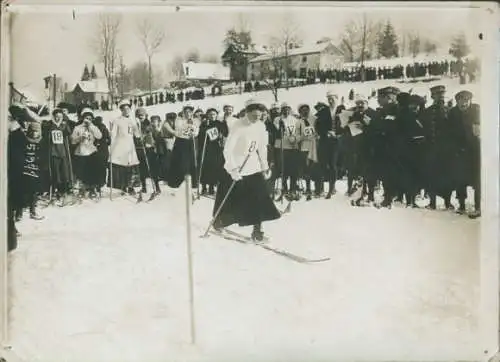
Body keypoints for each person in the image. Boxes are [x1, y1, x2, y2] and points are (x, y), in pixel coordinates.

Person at [212, 98, 281, 242]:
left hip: (253, 166)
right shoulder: (238, 126)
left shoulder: (261, 126)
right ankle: (220, 222)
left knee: (259, 198)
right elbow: (227, 150)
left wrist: (264, 167)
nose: (257, 118)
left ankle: (257, 231)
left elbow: (262, 148)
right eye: (254, 116)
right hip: (237, 167)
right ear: (247, 113)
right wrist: (233, 169)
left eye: (259, 115)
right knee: (235, 201)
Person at [448, 90, 481, 217]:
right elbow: (449, 132)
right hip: (459, 151)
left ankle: (478, 207)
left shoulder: (476, 110)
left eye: (466, 101)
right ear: (457, 102)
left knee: (477, 179)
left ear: (470, 101)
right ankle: (461, 205)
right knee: (460, 178)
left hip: (475, 151)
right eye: (461, 101)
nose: (463, 104)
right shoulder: (453, 113)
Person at [41, 108, 74, 206]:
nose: (58, 118)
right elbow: (46, 131)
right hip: (53, 153)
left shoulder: (64, 126)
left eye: (60, 117)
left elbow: (68, 132)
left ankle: (63, 192)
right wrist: (52, 124)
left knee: (64, 173)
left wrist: (64, 123)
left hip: (63, 153)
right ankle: (56, 192)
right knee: (56, 173)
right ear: (53, 117)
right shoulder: (50, 125)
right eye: (56, 117)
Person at [315, 91, 345, 198]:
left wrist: (338, 133)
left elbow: (346, 125)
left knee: (333, 164)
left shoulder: (343, 110)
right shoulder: (323, 111)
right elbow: (318, 126)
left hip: (337, 141)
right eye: (329, 99)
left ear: (337, 98)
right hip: (325, 140)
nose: (330, 101)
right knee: (322, 163)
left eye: (332, 98)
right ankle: (321, 188)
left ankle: (332, 188)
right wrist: (326, 132)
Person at [166, 104, 200, 194]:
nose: (188, 113)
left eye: (190, 111)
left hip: (191, 143)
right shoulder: (179, 120)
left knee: (191, 162)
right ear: (184, 112)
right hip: (181, 143)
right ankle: (177, 184)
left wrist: (194, 132)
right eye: (186, 111)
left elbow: (197, 131)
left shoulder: (195, 120)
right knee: (181, 163)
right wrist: (188, 129)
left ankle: (193, 185)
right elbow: (179, 131)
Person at [109, 100, 141, 196]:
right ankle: (122, 187)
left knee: (130, 166)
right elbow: (113, 134)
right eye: (124, 109)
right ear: (121, 110)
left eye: (128, 109)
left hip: (130, 146)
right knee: (122, 167)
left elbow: (137, 135)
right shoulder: (117, 120)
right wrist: (111, 138)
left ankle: (130, 187)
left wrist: (138, 125)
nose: (126, 111)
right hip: (120, 146)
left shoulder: (132, 121)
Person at [71, 108, 103, 199]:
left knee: (91, 170)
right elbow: (73, 141)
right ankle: (82, 188)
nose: (87, 120)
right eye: (86, 118)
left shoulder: (93, 127)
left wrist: (91, 127)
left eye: (89, 118)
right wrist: (79, 138)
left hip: (91, 151)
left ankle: (92, 188)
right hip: (80, 152)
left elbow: (99, 136)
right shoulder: (78, 128)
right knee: (81, 172)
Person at [198, 108, 228, 195]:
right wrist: (205, 127)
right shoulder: (204, 123)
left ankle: (211, 187)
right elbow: (200, 136)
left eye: (214, 114)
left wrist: (225, 122)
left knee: (214, 167)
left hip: (215, 148)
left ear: (216, 115)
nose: (212, 116)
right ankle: (204, 187)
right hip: (206, 147)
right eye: (210, 114)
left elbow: (225, 132)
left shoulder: (219, 123)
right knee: (205, 167)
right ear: (207, 115)